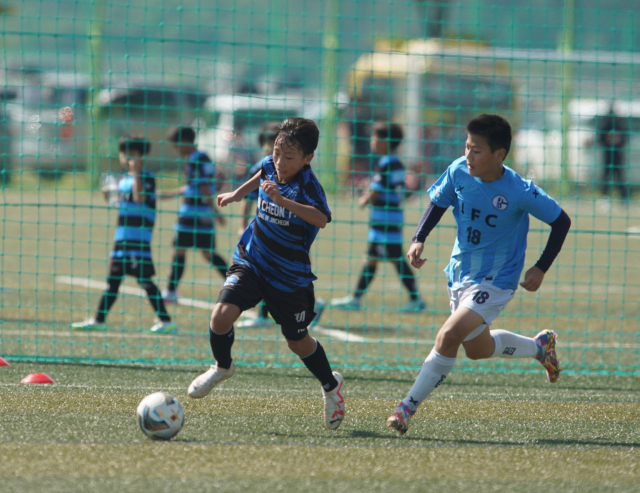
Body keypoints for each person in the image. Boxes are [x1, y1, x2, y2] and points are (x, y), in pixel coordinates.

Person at [387, 114, 571, 436]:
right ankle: (540, 347)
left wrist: (541, 266)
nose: (468, 156)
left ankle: (406, 407)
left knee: (448, 336)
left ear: (499, 155)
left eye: (477, 151)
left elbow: (561, 221)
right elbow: (437, 202)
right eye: (467, 147)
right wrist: (419, 237)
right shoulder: (459, 170)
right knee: (477, 350)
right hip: (460, 272)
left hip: (497, 280)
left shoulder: (519, 190)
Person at [187, 118, 345, 430]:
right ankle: (222, 366)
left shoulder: (308, 186)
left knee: (297, 342)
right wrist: (236, 194)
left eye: (289, 158)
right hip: (252, 260)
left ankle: (331, 386)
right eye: (276, 153)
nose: (280, 163)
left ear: (307, 159)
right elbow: (261, 173)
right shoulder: (270, 165)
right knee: (220, 316)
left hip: (289, 277)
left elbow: (321, 218)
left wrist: (283, 200)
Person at [72, 136, 176, 334]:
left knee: (145, 280)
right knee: (113, 281)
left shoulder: (145, 177)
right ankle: (98, 319)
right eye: (125, 154)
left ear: (141, 156)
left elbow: (139, 198)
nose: (128, 158)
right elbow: (122, 204)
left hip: (138, 240)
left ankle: (166, 320)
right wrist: (109, 196)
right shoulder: (123, 180)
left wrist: (136, 174)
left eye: (133, 155)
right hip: (122, 239)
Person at [235, 121, 326, 330]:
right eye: (271, 147)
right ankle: (264, 315)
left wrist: (285, 204)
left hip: (290, 237)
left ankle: (309, 305)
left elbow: (320, 216)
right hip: (266, 234)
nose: (275, 155)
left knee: (284, 278)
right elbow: (249, 198)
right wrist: (242, 224)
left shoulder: (301, 177)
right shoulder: (264, 167)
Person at [331, 122, 426, 312]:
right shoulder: (396, 162)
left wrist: (363, 199)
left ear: (386, 141)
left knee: (395, 259)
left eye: (375, 138)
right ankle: (356, 299)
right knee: (371, 259)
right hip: (388, 219)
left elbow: (376, 191)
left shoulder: (386, 163)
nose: (372, 142)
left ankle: (416, 299)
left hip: (386, 221)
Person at [158, 126, 229, 304]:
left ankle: (171, 291)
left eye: (177, 145)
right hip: (200, 214)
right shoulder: (197, 158)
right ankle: (235, 284)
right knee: (207, 253)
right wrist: (170, 193)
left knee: (182, 252)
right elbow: (194, 187)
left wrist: (215, 211)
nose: (176, 149)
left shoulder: (198, 159)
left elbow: (204, 187)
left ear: (186, 142)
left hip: (193, 215)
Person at [597, 103, 629, 200]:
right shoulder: (605, 126)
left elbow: (625, 139)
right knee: (605, 177)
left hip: (618, 156)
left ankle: (623, 199)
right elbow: (600, 138)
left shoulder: (620, 126)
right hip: (607, 156)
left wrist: (618, 140)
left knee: (620, 178)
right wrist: (607, 139)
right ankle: (604, 197)